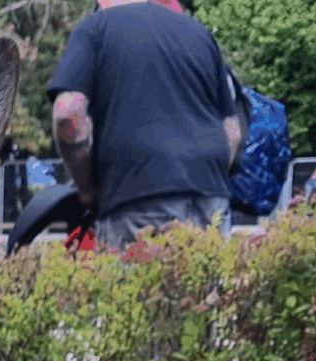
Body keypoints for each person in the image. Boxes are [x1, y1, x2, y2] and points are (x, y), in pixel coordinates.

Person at [47, 0, 243, 250]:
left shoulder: (95, 28)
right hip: (211, 201)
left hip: (136, 199)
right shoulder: (198, 32)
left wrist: (87, 189)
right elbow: (232, 131)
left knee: (144, 288)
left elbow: (67, 114)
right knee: (206, 286)